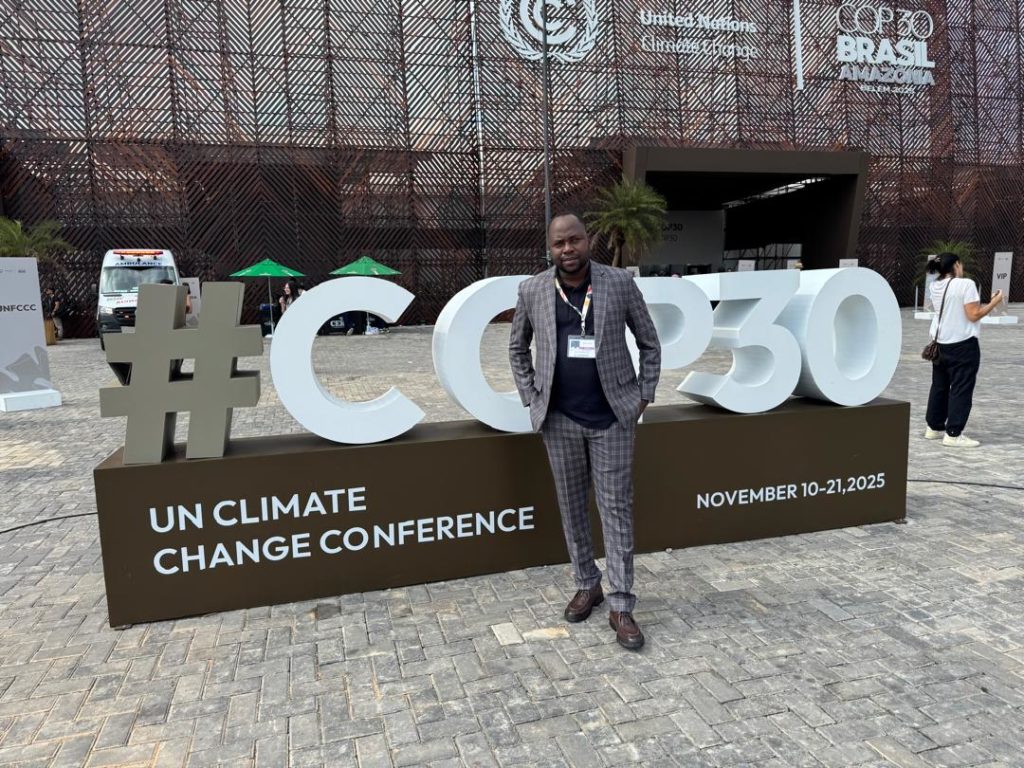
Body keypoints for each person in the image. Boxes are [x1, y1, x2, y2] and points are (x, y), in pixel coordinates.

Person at [509, 213, 661, 650]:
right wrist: (531, 396)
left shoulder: (618, 283)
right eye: (559, 244)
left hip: (613, 417)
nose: (568, 249)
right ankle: (587, 583)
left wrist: (642, 397)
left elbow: (650, 343)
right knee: (571, 507)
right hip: (558, 420)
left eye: (574, 240)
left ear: (586, 240)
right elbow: (517, 346)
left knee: (616, 510)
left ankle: (621, 603)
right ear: (550, 248)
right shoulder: (533, 289)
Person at [924, 252, 1004, 447]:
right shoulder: (966, 284)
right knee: (961, 388)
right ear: (957, 265)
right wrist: (995, 302)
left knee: (939, 386)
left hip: (940, 343)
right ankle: (953, 433)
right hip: (962, 344)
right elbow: (973, 315)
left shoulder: (934, 286)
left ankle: (933, 427)